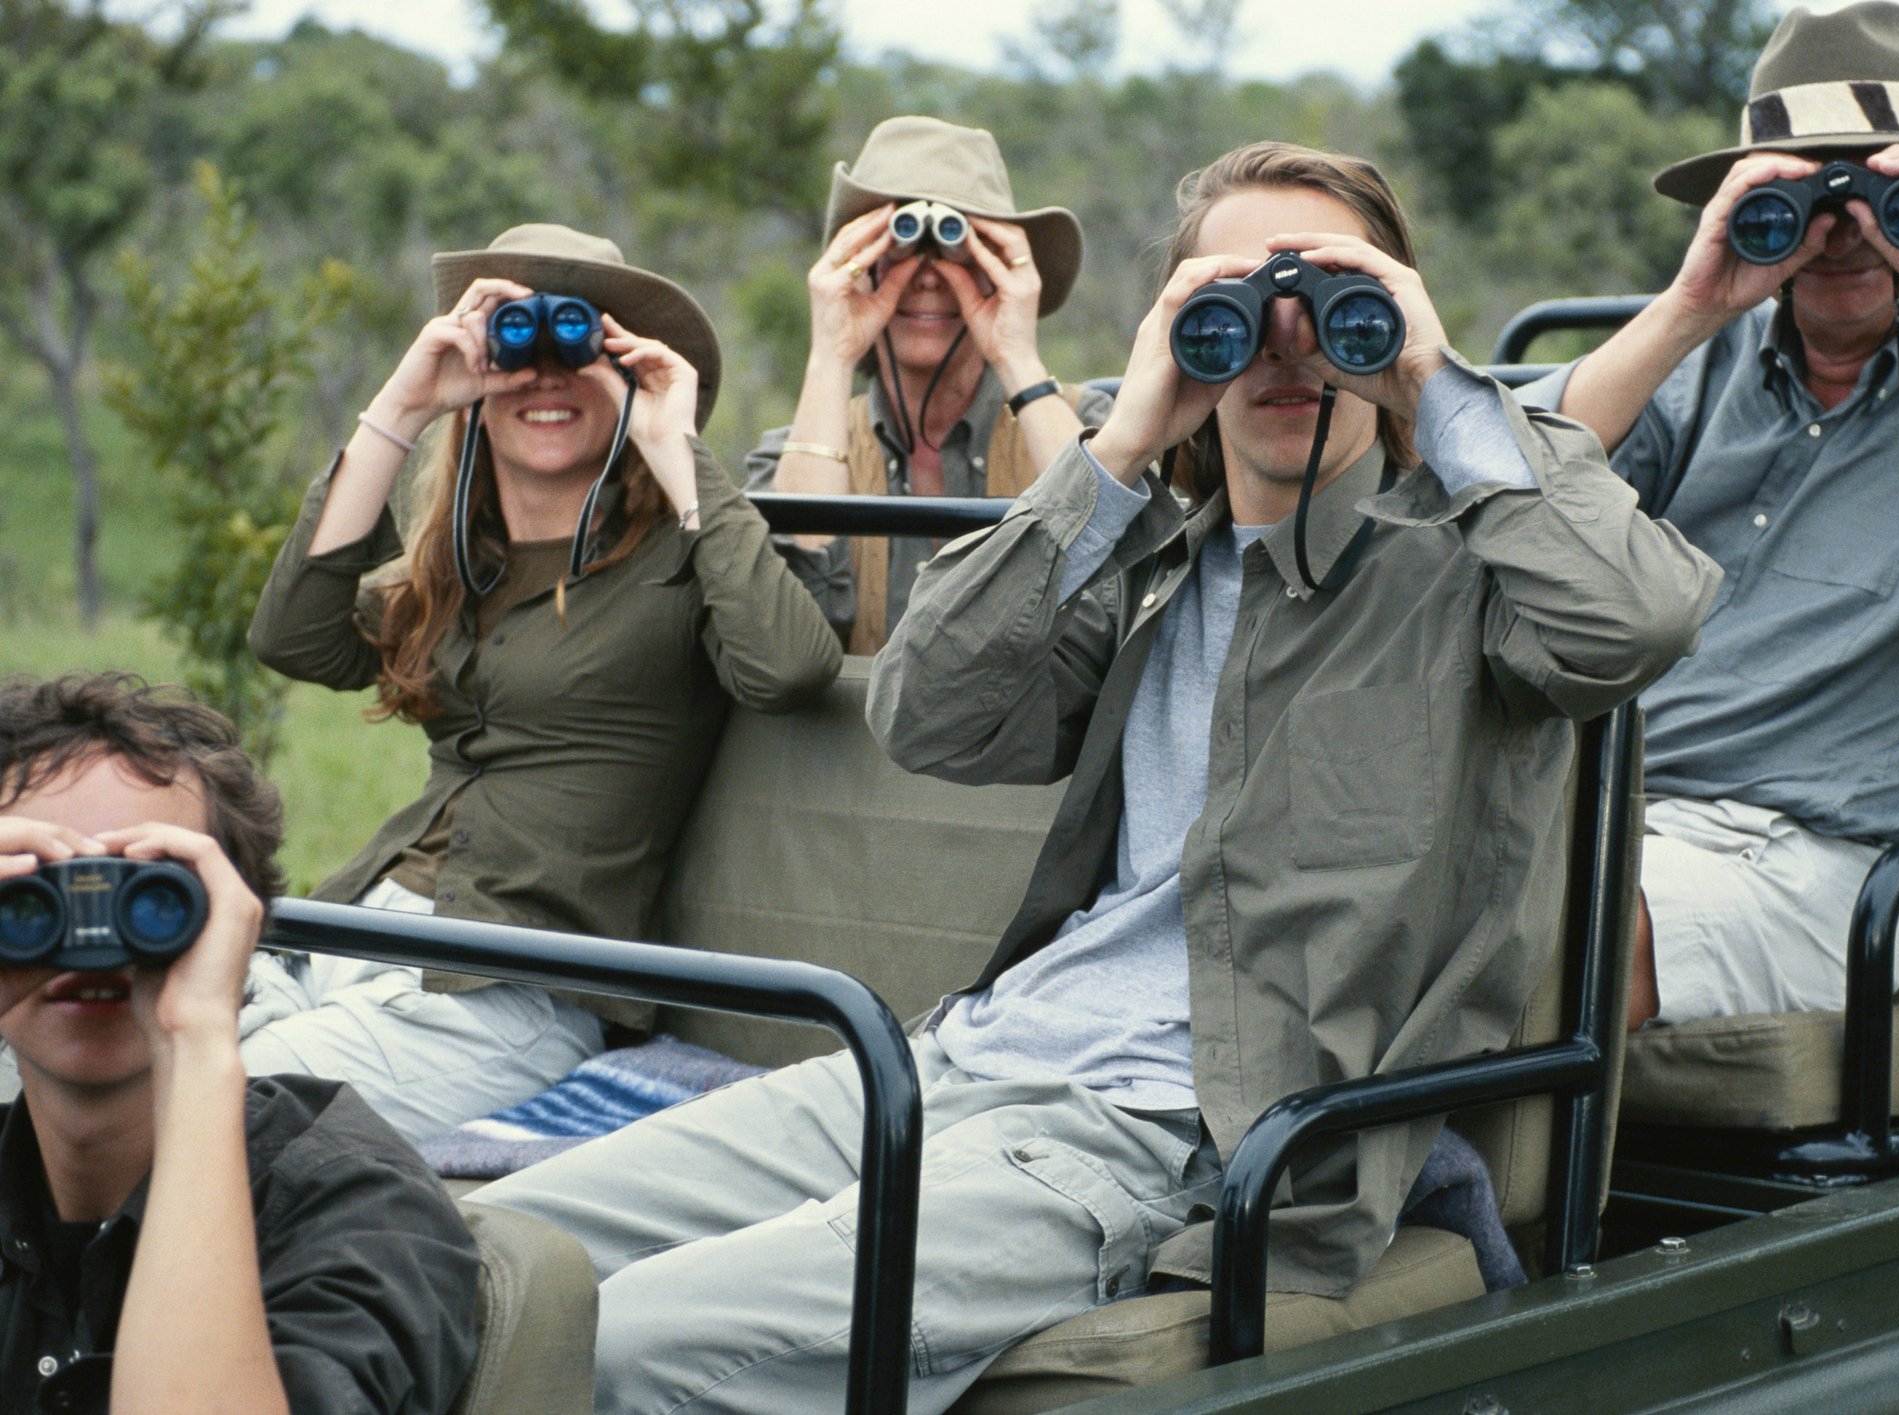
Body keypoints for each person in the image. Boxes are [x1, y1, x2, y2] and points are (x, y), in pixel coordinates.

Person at [474, 141, 1718, 1414]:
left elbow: (1633, 620)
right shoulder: (1149, 565)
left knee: (619, 1346)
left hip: (1169, 1134)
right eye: (1237, 304)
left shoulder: (1469, 577)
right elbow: (926, 711)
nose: (1287, 342)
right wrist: (1120, 440)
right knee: (469, 1265)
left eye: (1331, 302)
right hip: (952, 1062)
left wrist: (1425, 373)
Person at [1514, 1, 1899, 1030]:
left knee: (1544, 949)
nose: (1843, 231)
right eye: (1802, 197)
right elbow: (1489, 493)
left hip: (1814, 865)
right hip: (1590, 815)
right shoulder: (1694, 370)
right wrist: (1692, 304)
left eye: (1890, 195)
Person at [246, 224, 842, 1141]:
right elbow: (293, 635)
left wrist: (672, 442)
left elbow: (792, 665)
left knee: (205, 1100)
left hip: (504, 987)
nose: (545, 373)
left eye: (583, 344)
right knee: (50, 1051)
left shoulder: (684, 564)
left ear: (629, 371)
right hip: (351, 931)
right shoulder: (452, 565)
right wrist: (403, 407)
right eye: (512, 343)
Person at [0, 672, 481, 1415]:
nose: (86, 946)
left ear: (236, 922)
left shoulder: (358, 1210)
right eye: (34, 898)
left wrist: (194, 1042)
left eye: (152, 897)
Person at [745, 115, 1112, 653]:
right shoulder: (789, 458)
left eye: (956, 242)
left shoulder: (1089, 426)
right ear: (857, 262)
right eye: (898, 241)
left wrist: (1016, 355)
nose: (925, 275)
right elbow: (788, 640)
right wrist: (831, 353)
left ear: (1000, 263)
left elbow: (1120, 585)